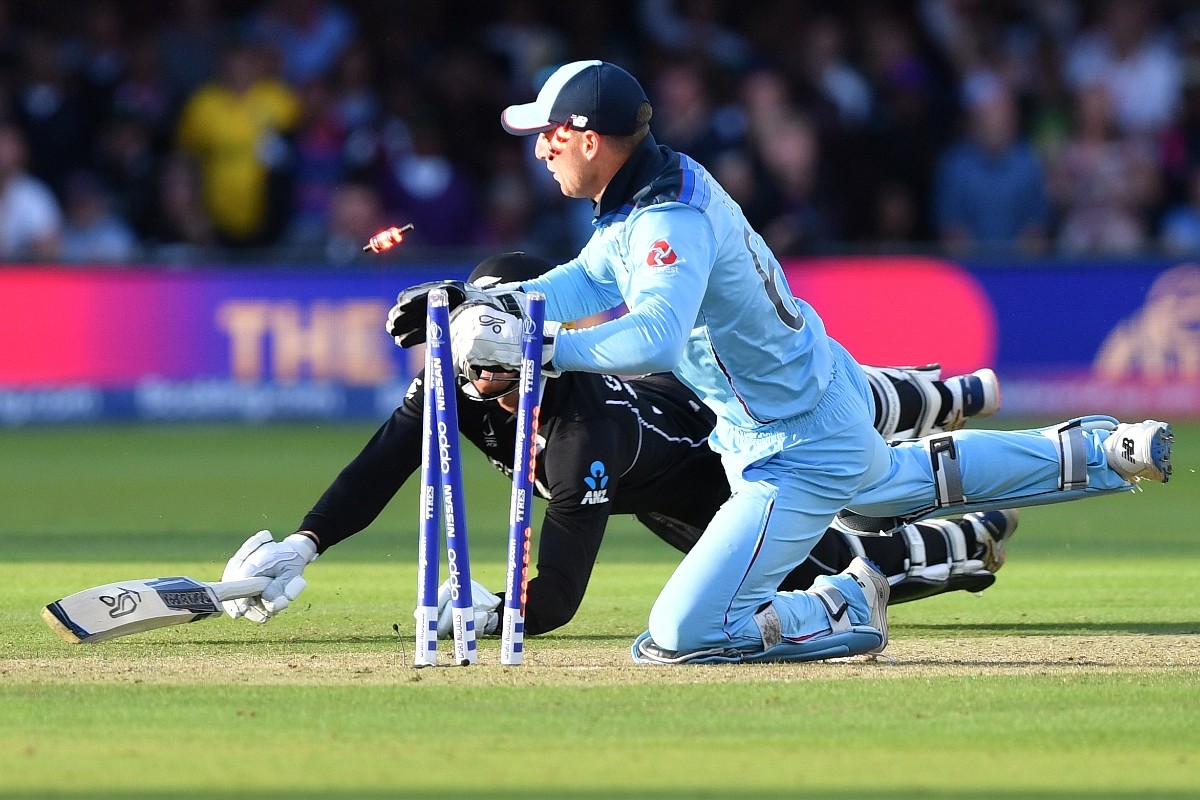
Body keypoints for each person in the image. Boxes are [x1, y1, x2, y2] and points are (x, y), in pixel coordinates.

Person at [432, 61, 1172, 665]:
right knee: (892, 483)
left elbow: (655, 337)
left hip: (792, 446)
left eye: (551, 134)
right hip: (811, 395)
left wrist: (541, 345)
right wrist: (477, 298)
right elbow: (588, 279)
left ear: (590, 140)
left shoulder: (667, 219)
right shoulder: (652, 190)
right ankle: (1102, 449)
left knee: (681, 633)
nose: (541, 149)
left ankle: (844, 604)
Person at [220, 252, 1009, 639]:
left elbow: (558, 593)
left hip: (717, 455)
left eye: (494, 354)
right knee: (845, 582)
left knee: (846, 440)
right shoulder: (460, 385)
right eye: (468, 351)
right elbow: (386, 460)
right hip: (665, 495)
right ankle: (960, 546)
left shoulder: (580, 436)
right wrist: (303, 543)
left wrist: (497, 615)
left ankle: (941, 399)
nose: (475, 374)